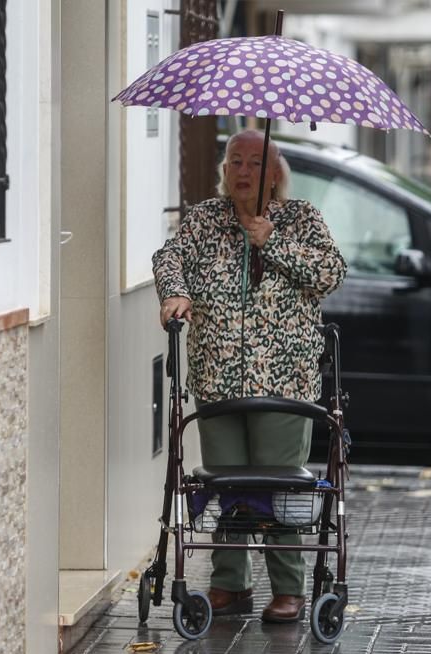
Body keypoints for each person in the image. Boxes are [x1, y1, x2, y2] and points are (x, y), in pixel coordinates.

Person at [151, 129, 347, 623]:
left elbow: (331, 274)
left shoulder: (301, 219)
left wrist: (272, 241)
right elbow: (168, 257)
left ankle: (289, 589)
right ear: (224, 171)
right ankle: (230, 585)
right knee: (226, 489)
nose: (243, 171)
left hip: (284, 385)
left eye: (255, 163)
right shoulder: (205, 220)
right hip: (217, 379)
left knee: (280, 489)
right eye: (235, 161)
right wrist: (175, 292)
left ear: (275, 174)